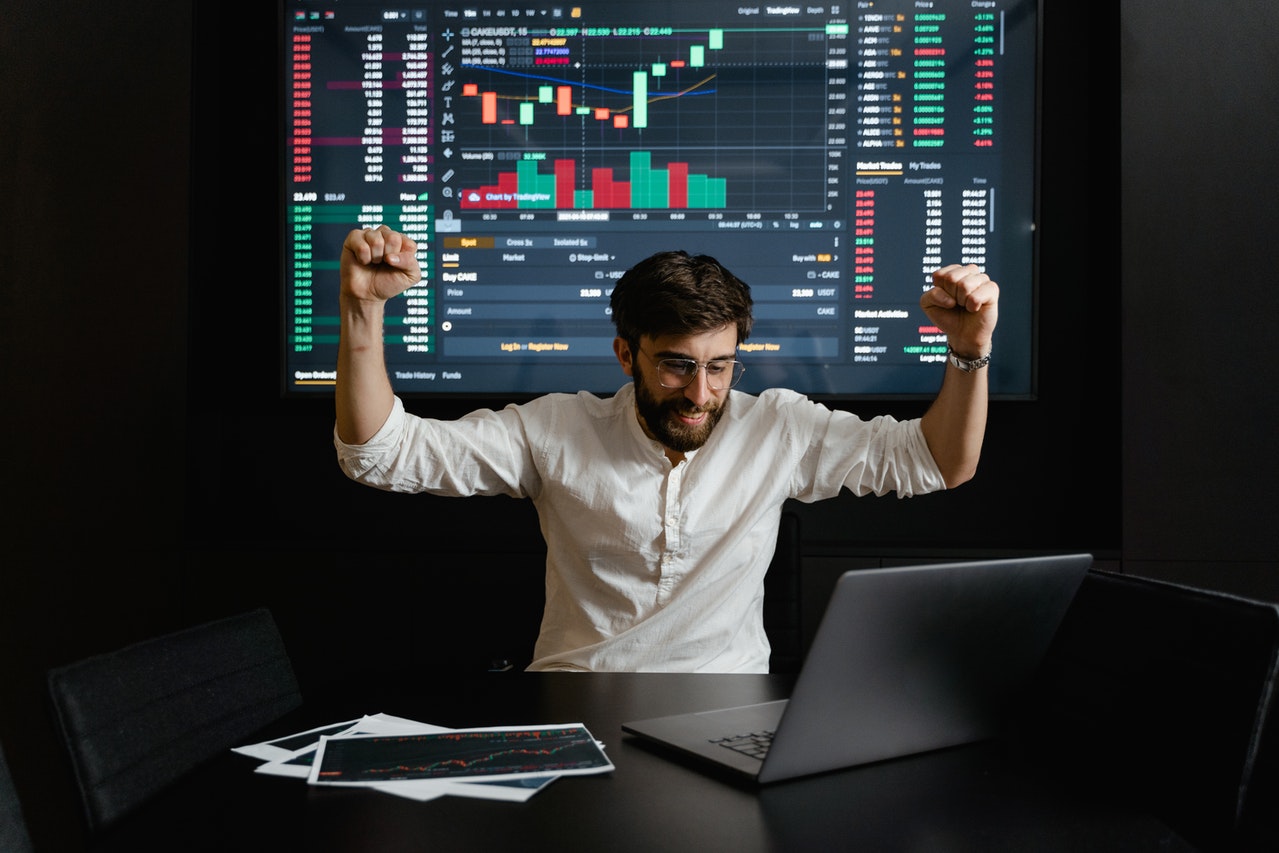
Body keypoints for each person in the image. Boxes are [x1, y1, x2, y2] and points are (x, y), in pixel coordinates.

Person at [335, 225, 999, 673]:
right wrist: (362, 310)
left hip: (726, 718)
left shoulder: (778, 427)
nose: (700, 393)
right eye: (676, 365)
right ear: (627, 354)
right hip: (573, 709)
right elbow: (381, 452)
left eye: (720, 366)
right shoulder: (556, 427)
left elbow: (937, 462)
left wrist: (968, 353)